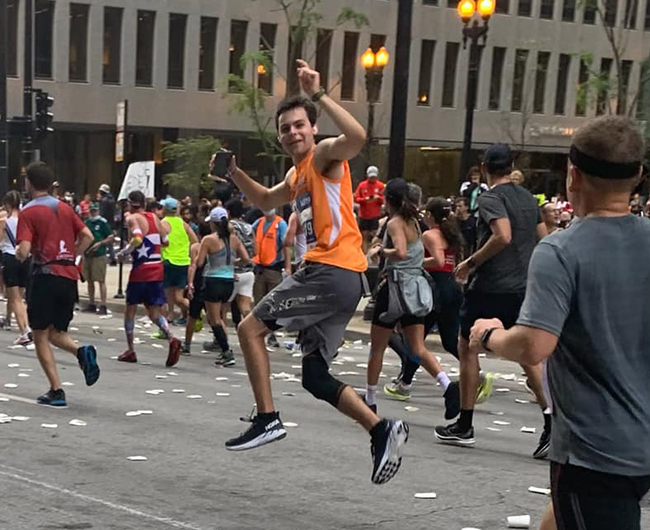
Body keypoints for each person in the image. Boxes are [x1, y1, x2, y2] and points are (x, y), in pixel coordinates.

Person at [221, 59, 408, 485]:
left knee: (249, 329)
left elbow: (357, 137)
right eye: (285, 127)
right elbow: (267, 200)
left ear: (313, 127)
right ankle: (381, 430)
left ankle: (267, 418)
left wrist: (320, 92)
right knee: (314, 376)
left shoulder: (324, 157)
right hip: (343, 279)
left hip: (330, 271)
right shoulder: (297, 172)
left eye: (300, 124)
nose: (292, 133)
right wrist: (234, 173)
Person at [470, 116, 650, 530]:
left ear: (573, 176)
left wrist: (489, 336)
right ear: (637, 177)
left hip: (595, 453)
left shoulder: (561, 251)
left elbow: (534, 346)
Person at [435, 143, 551, 459]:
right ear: (511, 165)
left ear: (485, 168)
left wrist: (470, 263)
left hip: (489, 287)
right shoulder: (527, 198)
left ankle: (465, 423)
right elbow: (544, 236)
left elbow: (502, 235)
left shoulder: (489, 198)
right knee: (527, 355)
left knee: (466, 347)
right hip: (521, 288)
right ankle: (552, 423)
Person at [365, 180, 458, 419]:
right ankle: (447, 386)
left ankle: (371, 400)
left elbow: (402, 252)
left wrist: (380, 252)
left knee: (377, 348)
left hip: (395, 289)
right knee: (418, 347)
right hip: (416, 291)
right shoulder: (414, 223)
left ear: (388, 200)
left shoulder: (395, 223)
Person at [16, 162, 100, 407]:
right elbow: (88, 236)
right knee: (57, 332)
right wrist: (72, 254)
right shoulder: (64, 208)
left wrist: (20, 256)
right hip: (68, 276)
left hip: (44, 276)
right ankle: (81, 352)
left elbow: (25, 248)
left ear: (29, 183)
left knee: (40, 334)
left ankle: (56, 389)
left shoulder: (29, 212)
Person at [383, 197, 465, 403]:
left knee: (415, 342)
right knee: (448, 339)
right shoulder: (451, 234)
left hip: (435, 289)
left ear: (429, 215)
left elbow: (437, 260)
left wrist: (415, 261)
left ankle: (405, 384)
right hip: (452, 287)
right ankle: (477, 372)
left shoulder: (430, 234)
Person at [117, 191, 182, 367]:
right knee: (154, 312)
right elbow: (166, 241)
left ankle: (131, 349)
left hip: (141, 269)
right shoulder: (154, 218)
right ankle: (171, 337)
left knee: (130, 309)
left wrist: (124, 252)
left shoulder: (132, 219)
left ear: (131, 204)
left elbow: (137, 238)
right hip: (157, 268)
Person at [191, 207, 249, 367]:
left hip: (213, 280)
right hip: (229, 281)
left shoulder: (208, 240)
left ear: (214, 224)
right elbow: (246, 259)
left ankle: (226, 351)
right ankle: (225, 349)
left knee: (214, 319)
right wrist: (231, 263)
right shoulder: (234, 239)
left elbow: (200, 262)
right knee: (222, 315)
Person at [251, 208, 291, 348]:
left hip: (274, 269)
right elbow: (251, 236)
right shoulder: (259, 223)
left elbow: (286, 245)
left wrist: (288, 267)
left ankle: (271, 334)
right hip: (260, 268)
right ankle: (259, 334)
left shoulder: (280, 224)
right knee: (259, 303)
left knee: (273, 304)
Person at [0, 191, 32, 346]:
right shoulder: (25, 219)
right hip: (25, 258)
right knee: (21, 297)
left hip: (10, 257)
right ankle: (26, 327)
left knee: (14, 298)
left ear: (7, 204)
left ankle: (24, 331)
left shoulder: (4, 220)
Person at [160, 197, 198, 326]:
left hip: (169, 260)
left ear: (165, 209)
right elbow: (195, 240)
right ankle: (173, 314)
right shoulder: (183, 223)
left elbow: (160, 241)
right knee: (177, 296)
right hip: (183, 262)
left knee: (167, 293)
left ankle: (192, 311)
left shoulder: (163, 223)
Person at [225, 198, 256, 330]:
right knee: (245, 306)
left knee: (223, 307)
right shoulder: (249, 227)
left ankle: (220, 339)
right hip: (248, 271)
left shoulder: (229, 226)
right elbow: (255, 250)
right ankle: (251, 331)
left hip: (232, 271)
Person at [182, 222, 211, 355]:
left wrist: (190, 284)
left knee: (192, 315)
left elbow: (193, 265)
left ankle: (187, 344)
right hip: (211, 281)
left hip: (199, 282)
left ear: (199, 233)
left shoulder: (195, 247)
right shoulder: (216, 245)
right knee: (215, 317)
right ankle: (223, 344)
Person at [81, 202, 114, 315]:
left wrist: (100, 243)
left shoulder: (102, 223)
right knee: (89, 280)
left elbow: (110, 236)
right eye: (91, 211)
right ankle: (91, 303)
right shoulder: (87, 223)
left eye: (95, 211)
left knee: (100, 280)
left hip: (99, 254)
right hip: (88, 254)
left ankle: (103, 304)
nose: (93, 213)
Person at [354, 165, 385, 254]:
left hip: (375, 215)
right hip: (364, 214)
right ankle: (364, 253)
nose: (373, 179)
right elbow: (356, 198)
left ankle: (373, 252)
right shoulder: (362, 185)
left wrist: (378, 198)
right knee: (364, 235)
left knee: (375, 234)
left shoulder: (380, 186)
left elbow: (384, 199)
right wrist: (364, 200)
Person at [98, 184, 117, 265]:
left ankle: (104, 258)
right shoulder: (112, 200)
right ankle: (112, 258)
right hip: (111, 223)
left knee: (102, 240)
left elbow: (102, 213)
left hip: (104, 223)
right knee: (109, 241)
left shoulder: (104, 201)